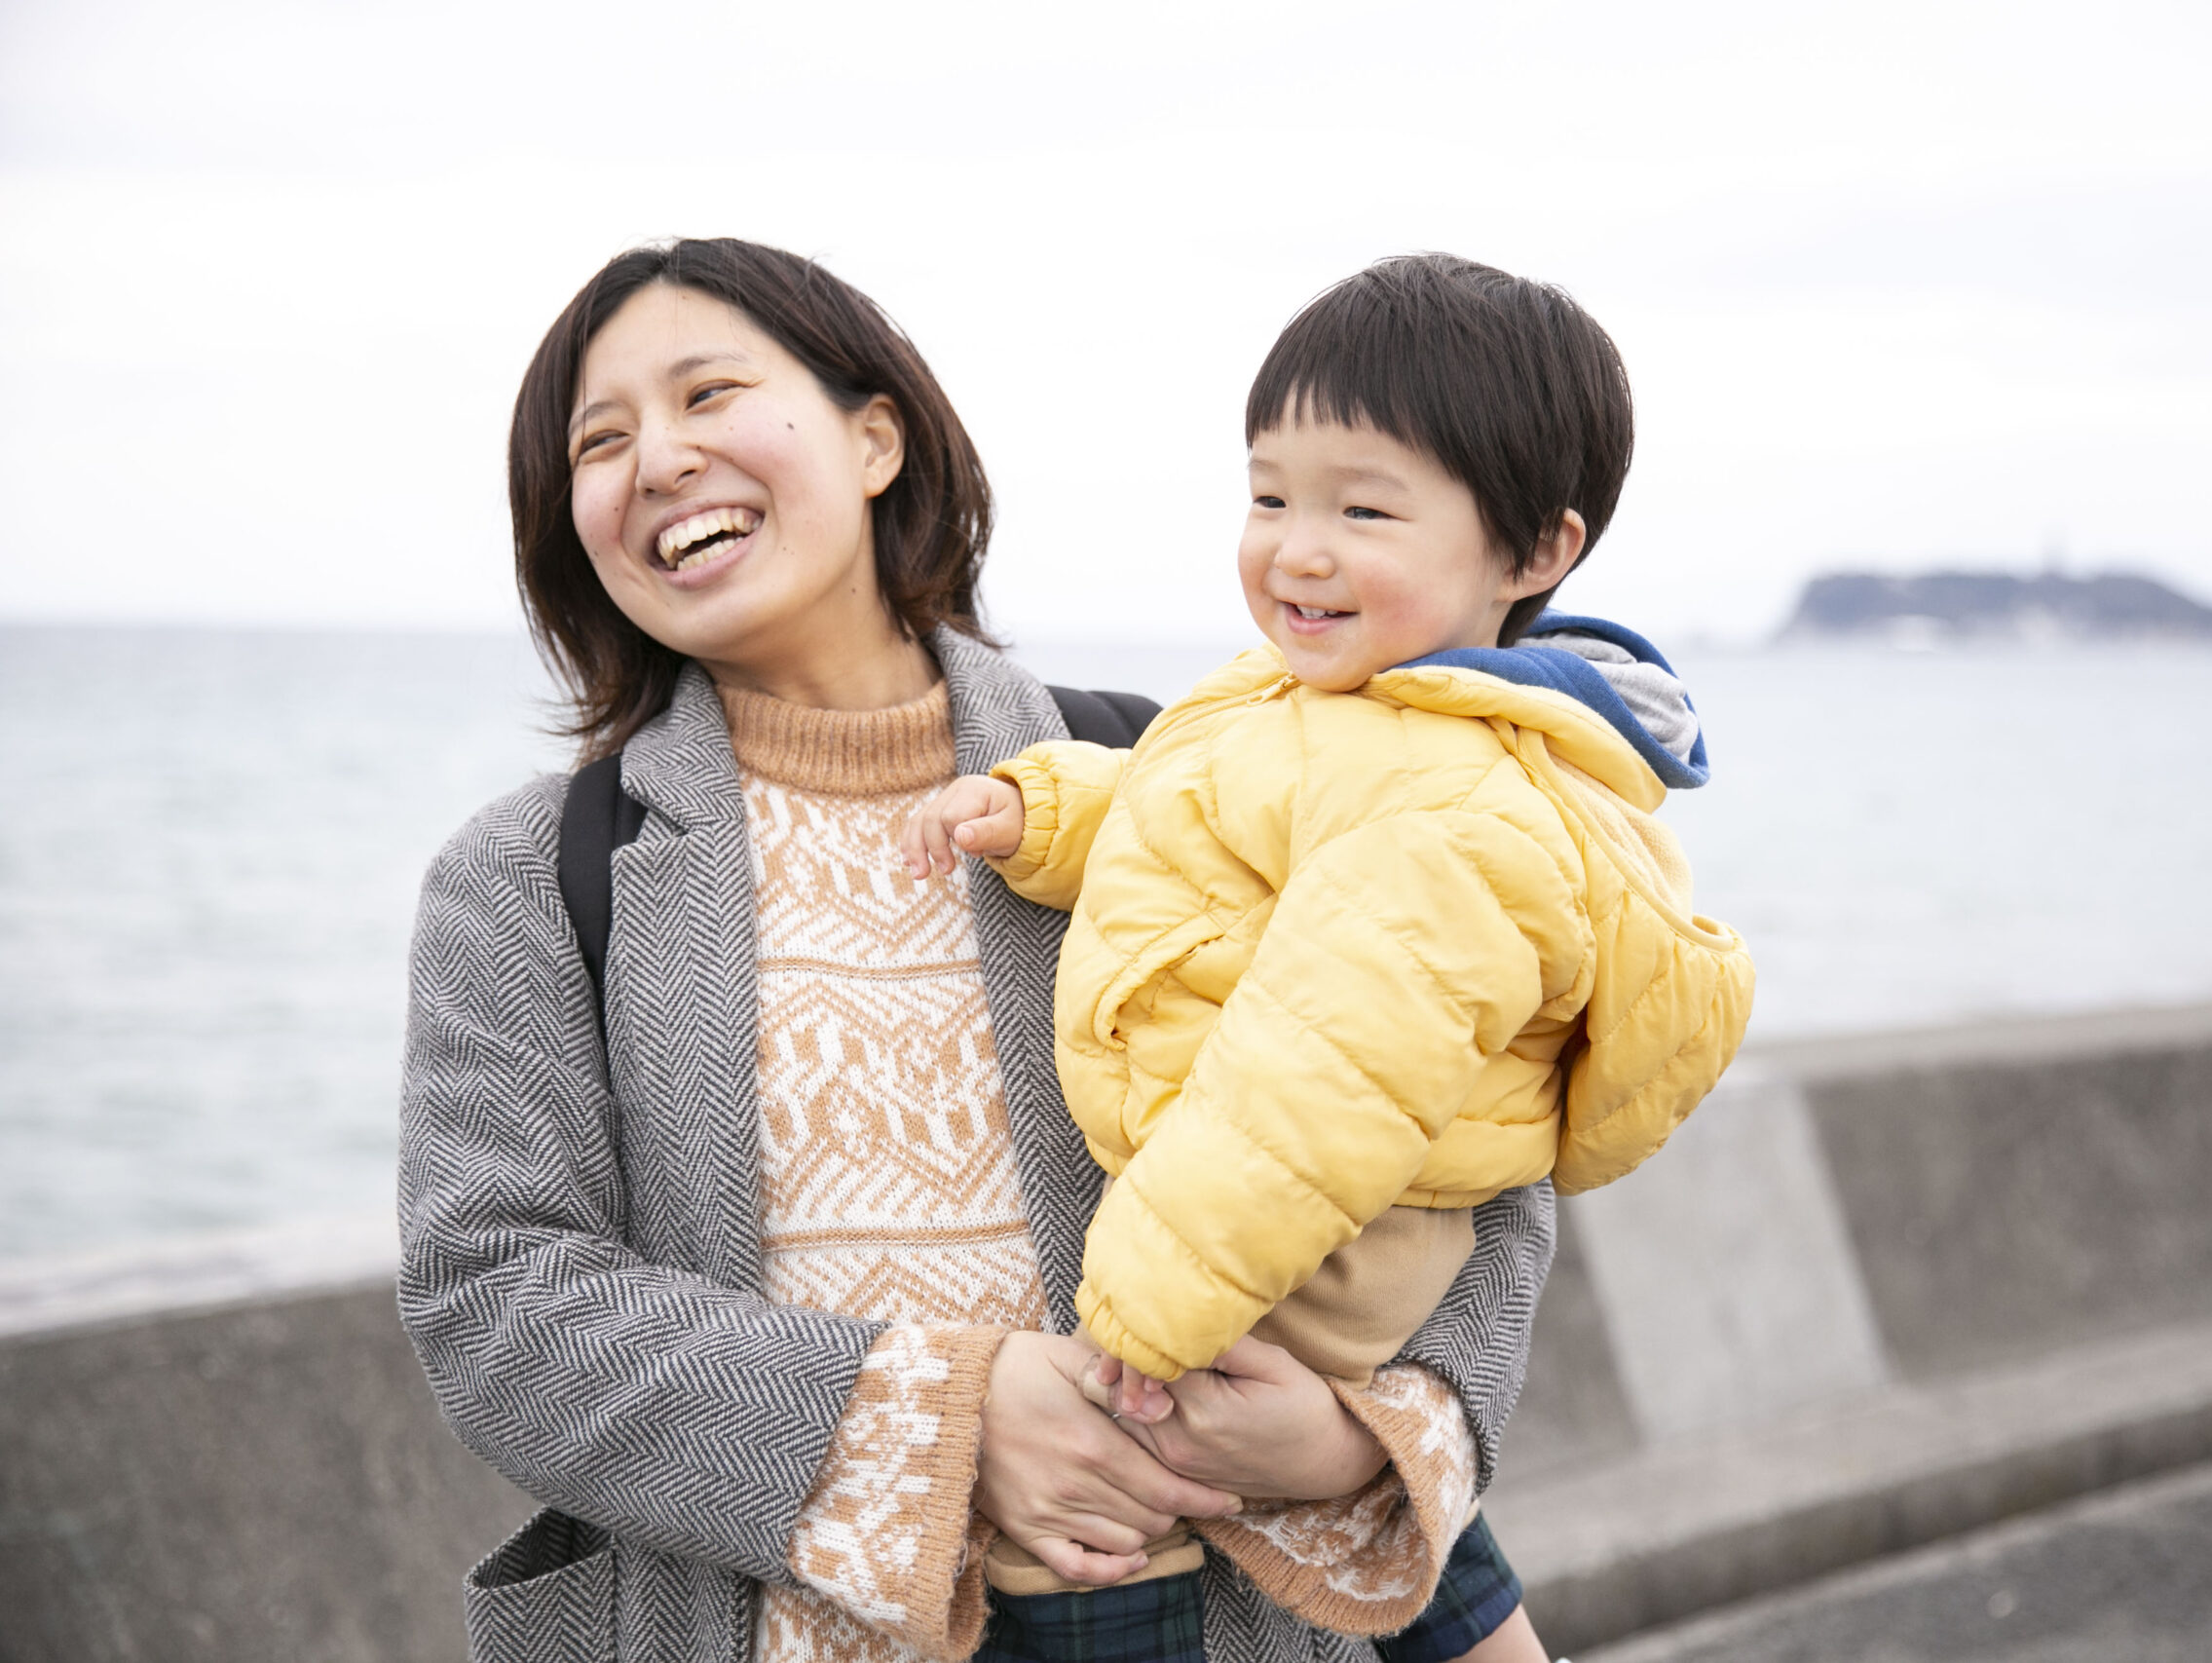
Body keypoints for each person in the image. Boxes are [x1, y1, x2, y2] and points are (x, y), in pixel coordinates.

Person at [397, 238, 1556, 1663]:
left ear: (875, 435)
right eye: (602, 440)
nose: (660, 460)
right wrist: (943, 1421)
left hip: (1220, 1613)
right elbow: (497, 1297)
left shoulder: (1169, 768)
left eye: (710, 394)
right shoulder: (530, 878)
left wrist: (1359, 1436)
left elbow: (1478, 1118)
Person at [906, 254, 1756, 1662]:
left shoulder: (1459, 808)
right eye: (1269, 495)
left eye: (1362, 508)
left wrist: (1144, 1307)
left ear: (1535, 552)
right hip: (1277, 1199)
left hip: (1316, 1233)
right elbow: (1199, 813)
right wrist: (1049, 812)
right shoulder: (1333, 705)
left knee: (1149, 1481)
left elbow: (1316, 1081)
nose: (1297, 548)